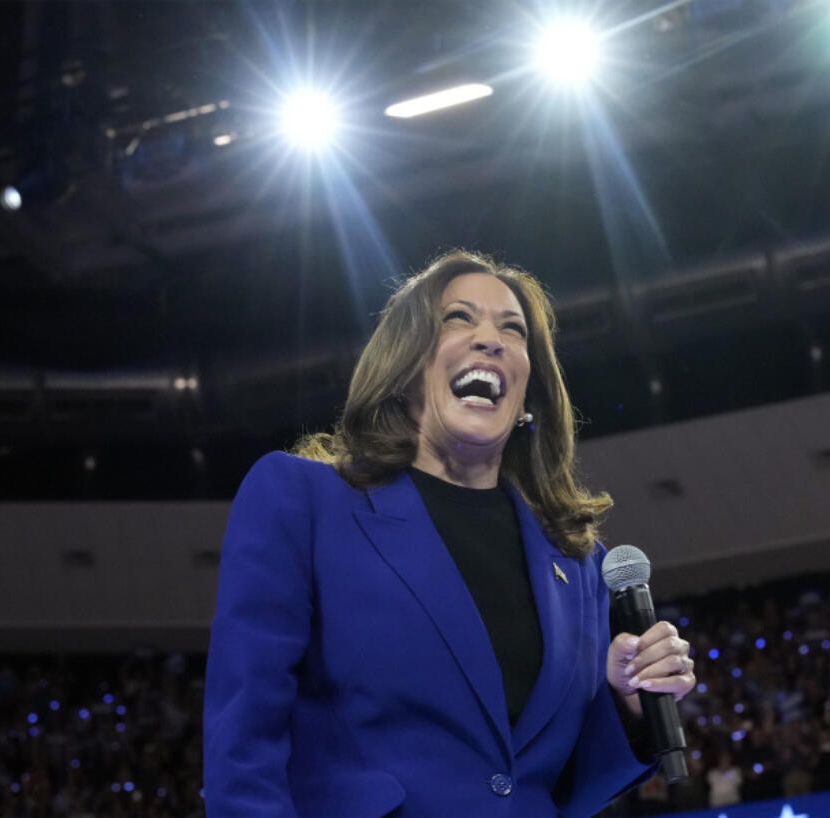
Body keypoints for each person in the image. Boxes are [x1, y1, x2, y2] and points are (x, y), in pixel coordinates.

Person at [203, 250, 696, 817]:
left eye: (513, 330)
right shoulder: (302, 501)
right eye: (459, 318)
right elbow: (243, 742)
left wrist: (626, 707)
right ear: (405, 365)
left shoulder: (579, 566)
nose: (492, 340)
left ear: (526, 395)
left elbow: (556, 790)